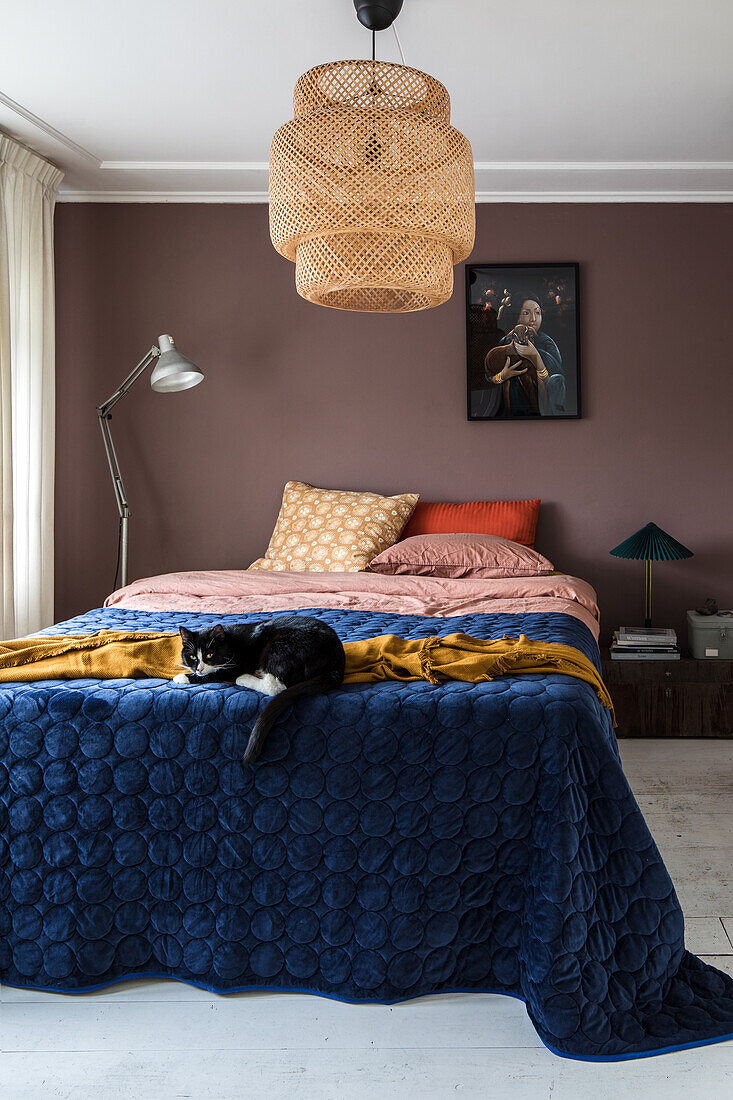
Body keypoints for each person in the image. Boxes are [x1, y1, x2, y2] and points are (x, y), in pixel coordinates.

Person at [483, 292, 566, 417]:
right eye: (526, 313)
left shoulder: (546, 342)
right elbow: (489, 376)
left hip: (540, 409)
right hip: (509, 409)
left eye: (537, 313)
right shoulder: (506, 341)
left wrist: (535, 356)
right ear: (517, 316)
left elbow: (557, 381)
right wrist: (502, 375)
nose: (533, 318)